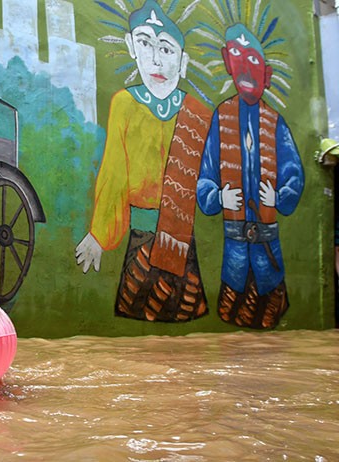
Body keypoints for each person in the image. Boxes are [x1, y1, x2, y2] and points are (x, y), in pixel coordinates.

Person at [75, 0, 212, 322]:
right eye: (145, 44)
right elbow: (114, 174)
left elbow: (211, 174)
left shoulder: (198, 114)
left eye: (166, 49)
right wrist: (99, 234)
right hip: (142, 239)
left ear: (183, 61)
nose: (156, 59)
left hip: (182, 240)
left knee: (184, 315)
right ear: (131, 47)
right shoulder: (125, 104)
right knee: (139, 310)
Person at [196, 23, 304, 329]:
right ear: (227, 62)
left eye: (253, 60)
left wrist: (279, 196)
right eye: (237, 57)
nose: (245, 68)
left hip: (268, 257)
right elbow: (205, 176)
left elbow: (294, 173)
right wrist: (218, 197)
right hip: (235, 261)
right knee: (232, 323)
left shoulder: (275, 122)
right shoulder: (221, 117)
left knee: (269, 321)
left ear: (267, 75)